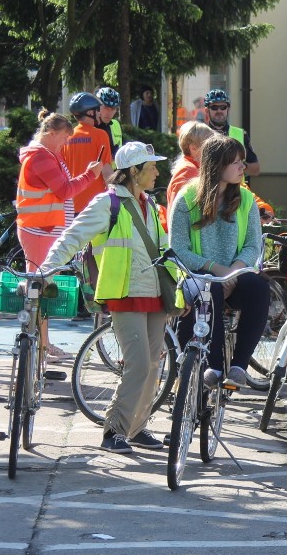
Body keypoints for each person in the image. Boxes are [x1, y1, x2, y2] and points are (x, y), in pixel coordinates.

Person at [41, 141, 170, 453]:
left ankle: (137, 428)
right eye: (150, 166)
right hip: (124, 294)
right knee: (139, 364)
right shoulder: (107, 203)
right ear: (133, 171)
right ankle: (114, 430)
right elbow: (73, 236)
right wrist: (46, 269)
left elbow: (164, 248)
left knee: (153, 365)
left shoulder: (149, 204)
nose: (156, 171)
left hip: (154, 294)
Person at [169, 134, 270, 390]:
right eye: (235, 162)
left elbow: (252, 245)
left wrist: (233, 272)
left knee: (259, 288)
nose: (242, 167)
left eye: (242, 162)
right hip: (197, 277)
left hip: (233, 276)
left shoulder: (246, 198)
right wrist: (216, 270)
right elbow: (178, 249)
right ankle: (213, 368)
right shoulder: (187, 198)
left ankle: (238, 367)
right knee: (210, 288)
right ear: (217, 165)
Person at [16, 110, 103, 361]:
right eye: (65, 138)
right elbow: (65, 190)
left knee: (42, 288)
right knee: (39, 289)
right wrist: (90, 175)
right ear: (51, 133)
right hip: (39, 230)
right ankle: (40, 348)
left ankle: (42, 345)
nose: (67, 143)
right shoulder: (41, 157)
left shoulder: (47, 155)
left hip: (42, 229)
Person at [168, 121, 275, 225]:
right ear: (193, 148)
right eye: (210, 144)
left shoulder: (202, 168)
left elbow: (237, 190)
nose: (217, 148)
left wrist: (261, 208)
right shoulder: (188, 172)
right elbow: (180, 220)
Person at [61, 92, 114, 214]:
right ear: (90, 112)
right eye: (98, 110)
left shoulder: (67, 137)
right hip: (95, 205)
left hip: (71, 206)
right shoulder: (100, 135)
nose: (100, 113)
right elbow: (107, 173)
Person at [202, 89, 260, 178]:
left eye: (223, 107)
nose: (219, 111)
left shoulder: (240, 134)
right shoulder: (200, 134)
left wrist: (237, 164)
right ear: (206, 110)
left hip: (236, 190)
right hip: (210, 189)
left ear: (228, 109)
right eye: (214, 107)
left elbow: (255, 169)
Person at [95, 87, 123, 154]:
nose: (109, 113)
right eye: (106, 108)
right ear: (97, 107)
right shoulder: (90, 126)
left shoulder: (116, 124)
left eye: (113, 109)